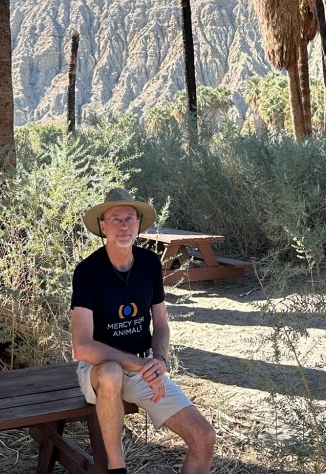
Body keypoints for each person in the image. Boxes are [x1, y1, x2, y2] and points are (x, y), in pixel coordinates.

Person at [71, 188, 216, 474]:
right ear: (103, 226)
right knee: (112, 372)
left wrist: (159, 361)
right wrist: (141, 364)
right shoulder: (88, 271)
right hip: (99, 370)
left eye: (129, 218)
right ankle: (116, 468)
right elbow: (82, 346)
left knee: (204, 438)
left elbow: (161, 324)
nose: (123, 226)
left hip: (145, 368)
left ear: (138, 224)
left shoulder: (150, 264)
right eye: (115, 219)